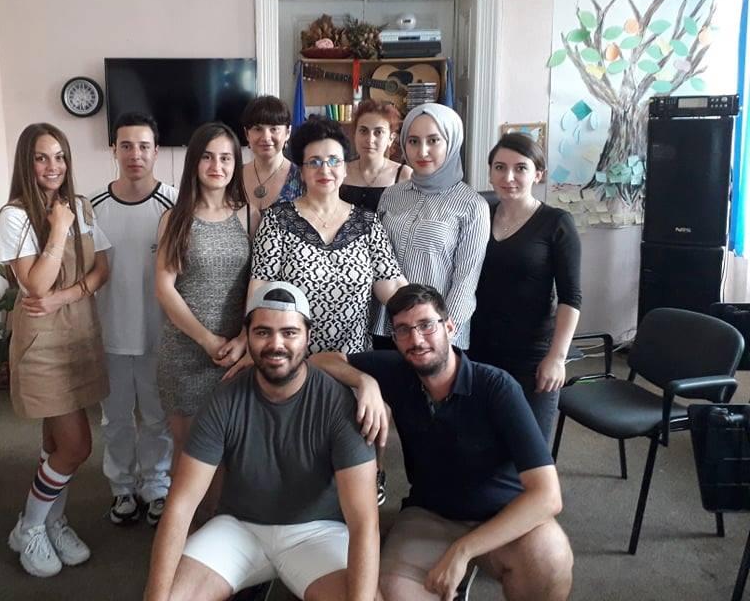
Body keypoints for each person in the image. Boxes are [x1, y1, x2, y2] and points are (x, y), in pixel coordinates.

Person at [312, 284, 573, 601]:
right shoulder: (396, 372)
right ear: (395, 339)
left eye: (426, 325)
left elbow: (548, 496)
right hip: (429, 515)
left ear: (449, 327)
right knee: (392, 593)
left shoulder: (497, 387)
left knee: (551, 559)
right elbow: (320, 360)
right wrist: (364, 381)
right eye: (403, 330)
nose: (417, 340)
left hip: (502, 514)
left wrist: (463, 550)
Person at [144, 282, 380, 601]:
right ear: (248, 336)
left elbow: (364, 522)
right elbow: (180, 507)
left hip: (317, 531)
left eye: (289, 333)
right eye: (263, 332)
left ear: (308, 336)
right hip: (239, 529)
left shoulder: (339, 404)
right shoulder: (224, 398)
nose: (276, 344)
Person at [0, 123, 110, 578]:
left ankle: (51, 520)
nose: (53, 166)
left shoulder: (81, 205)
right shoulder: (14, 217)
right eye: (42, 158)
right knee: (77, 445)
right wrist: (59, 228)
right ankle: (30, 526)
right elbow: (36, 285)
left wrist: (68, 295)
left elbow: (103, 269)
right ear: (27, 162)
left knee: (55, 443)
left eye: (59, 157)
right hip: (42, 342)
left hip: (79, 332)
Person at [248, 116, 406, 358]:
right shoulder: (276, 220)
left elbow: (392, 285)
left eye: (333, 161)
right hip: (294, 362)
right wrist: (250, 344)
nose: (324, 169)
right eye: (314, 162)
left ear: (344, 168)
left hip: (354, 360)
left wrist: (424, 314)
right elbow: (259, 289)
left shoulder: (367, 222)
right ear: (302, 171)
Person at [155, 123, 261, 470]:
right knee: (189, 453)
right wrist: (206, 340)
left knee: (233, 450)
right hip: (185, 353)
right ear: (194, 163)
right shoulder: (175, 218)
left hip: (237, 355)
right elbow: (164, 289)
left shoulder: (250, 215)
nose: (217, 166)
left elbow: (258, 284)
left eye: (226, 158)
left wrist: (243, 338)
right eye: (207, 157)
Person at [90, 112, 177, 527]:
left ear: (156, 151)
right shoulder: (92, 207)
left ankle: (157, 487)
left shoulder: (175, 203)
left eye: (143, 146)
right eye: (126, 146)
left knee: (158, 418)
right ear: (114, 150)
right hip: (110, 332)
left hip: (160, 333)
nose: (135, 155)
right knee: (116, 419)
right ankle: (122, 487)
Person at [469, 134, 582, 442]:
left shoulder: (557, 222)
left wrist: (557, 358)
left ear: (538, 174)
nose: (508, 177)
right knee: (481, 442)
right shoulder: (480, 214)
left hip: (531, 355)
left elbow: (571, 298)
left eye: (520, 168)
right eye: (500, 167)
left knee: (530, 447)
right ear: (490, 173)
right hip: (478, 348)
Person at [374, 103, 489, 350]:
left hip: (437, 337)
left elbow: (465, 283)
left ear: (452, 142)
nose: (422, 151)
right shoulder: (391, 195)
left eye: (433, 140)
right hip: (387, 327)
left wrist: (439, 335)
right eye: (413, 141)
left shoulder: (472, 206)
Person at [339, 99, 412, 213]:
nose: (370, 139)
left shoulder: (404, 175)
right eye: (363, 131)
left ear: (391, 138)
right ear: (354, 134)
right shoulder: (340, 171)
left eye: (378, 132)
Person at [240, 95, 303, 211]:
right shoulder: (233, 177)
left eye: (274, 129)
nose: (266, 137)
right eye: (258, 129)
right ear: (246, 134)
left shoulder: (303, 178)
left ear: (288, 132)